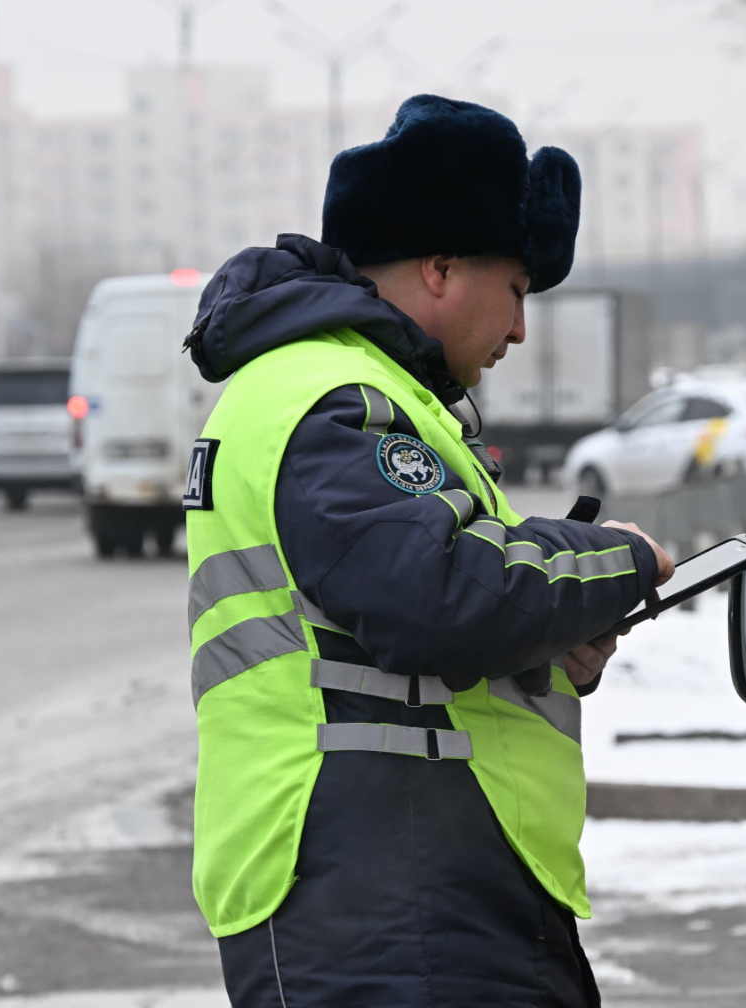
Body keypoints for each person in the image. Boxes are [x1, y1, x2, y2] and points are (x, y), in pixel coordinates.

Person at [182, 94, 675, 1007]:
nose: (523, 329)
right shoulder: (331, 396)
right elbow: (443, 596)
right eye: (519, 290)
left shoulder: (364, 395)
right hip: (383, 901)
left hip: (409, 886)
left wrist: (549, 649)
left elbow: (396, 628)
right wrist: (618, 561)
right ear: (442, 267)